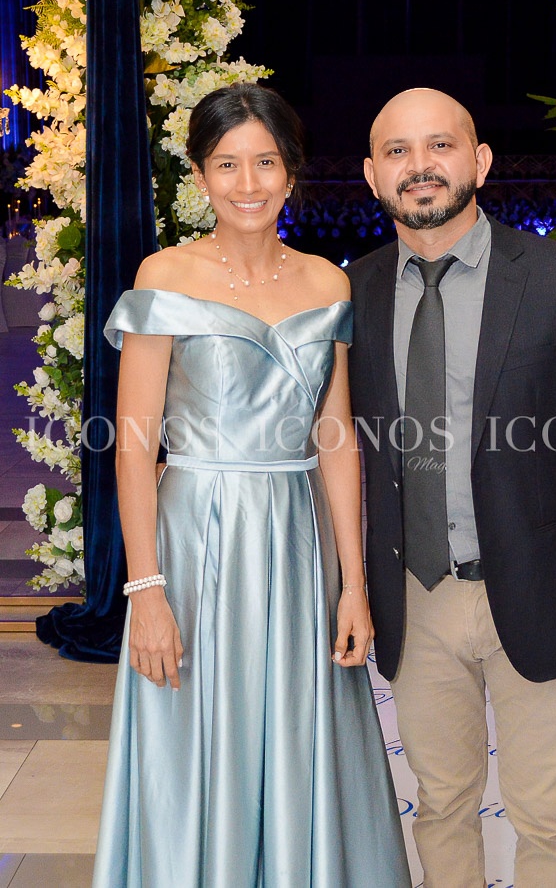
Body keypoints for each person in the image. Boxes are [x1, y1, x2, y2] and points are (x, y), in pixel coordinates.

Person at [347, 88, 556, 888]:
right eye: (397, 151)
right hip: (413, 595)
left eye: (439, 145)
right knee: (441, 805)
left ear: (480, 160)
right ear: (372, 175)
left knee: (545, 815)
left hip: (533, 586)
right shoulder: (352, 291)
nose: (419, 166)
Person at [92, 83, 410, 888]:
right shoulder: (164, 275)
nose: (247, 183)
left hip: (298, 541)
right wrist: (146, 590)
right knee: (196, 728)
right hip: (194, 540)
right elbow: (134, 450)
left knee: (301, 731)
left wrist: (353, 586)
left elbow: (335, 440)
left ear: (291, 173)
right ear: (200, 176)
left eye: (265, 162)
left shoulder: (326, 283)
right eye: (227, 164)